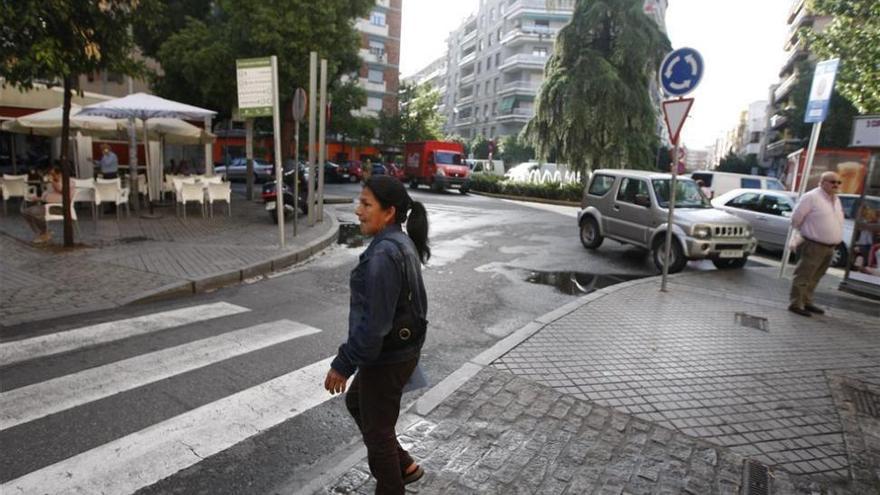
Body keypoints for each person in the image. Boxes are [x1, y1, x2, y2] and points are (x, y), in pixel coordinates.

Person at [324, 175, 430, 494]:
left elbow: (374, 324)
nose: (358, 211)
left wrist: (343, 364)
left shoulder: (385, 254)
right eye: (360, 202)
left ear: (389, 212)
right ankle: (404, 465)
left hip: (387, 356)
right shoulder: (400, 243)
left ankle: (392, 482)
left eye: (366, 204)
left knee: (378, 432)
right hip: (400, 351)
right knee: (358, 403)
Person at [788, 171, 845, 317]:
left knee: (816, 276)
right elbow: (796, 218)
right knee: (804, 275)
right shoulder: (811, 197)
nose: (836, 185)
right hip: (813, 244)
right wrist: (805, 233)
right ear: (822, 182)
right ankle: (795, 303)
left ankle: (807, 301)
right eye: (833, 182)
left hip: (830, 247)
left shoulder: (836, 199)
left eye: (839, 182)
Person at [21, 166, 65, 244]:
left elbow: (61, 190)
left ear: (60, 174)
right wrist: (37, 198)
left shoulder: (64, 181)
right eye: (50, 174)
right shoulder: (53, 182)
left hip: (57, 207)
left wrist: (53, 182)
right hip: (48, 205)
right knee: (26, 212)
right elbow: (48, 195)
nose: (51, 176)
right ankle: (42, 233)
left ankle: (44, 233)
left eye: (53, 174)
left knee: (34, 212)